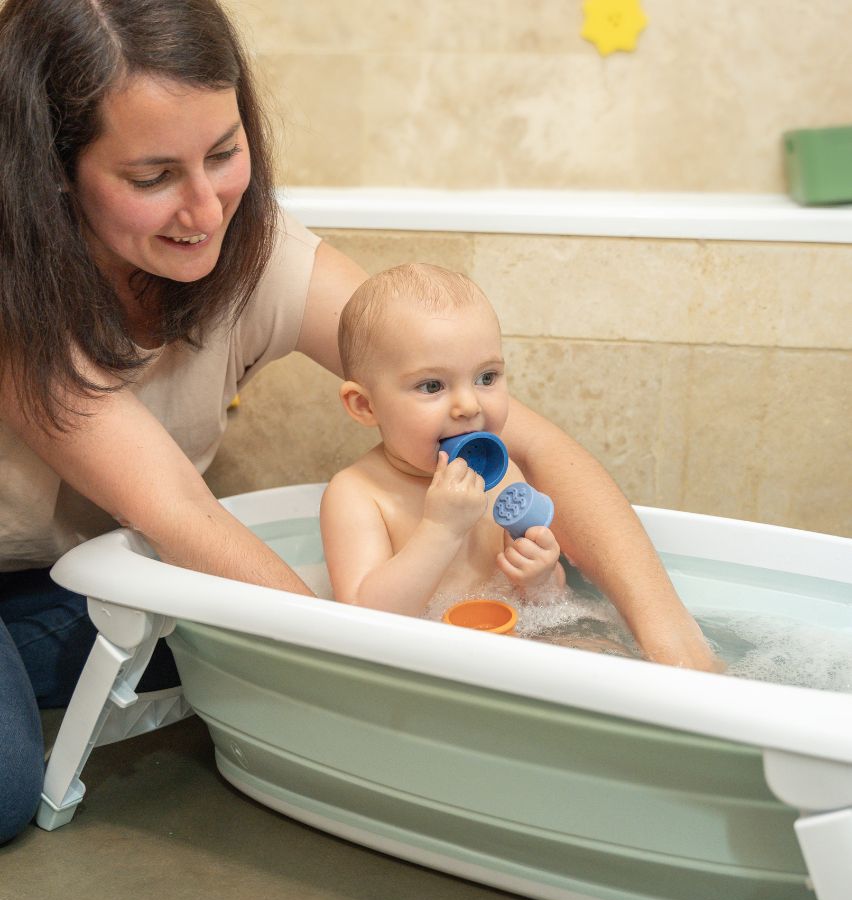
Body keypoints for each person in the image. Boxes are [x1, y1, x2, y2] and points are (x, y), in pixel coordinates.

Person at [0, 0, 718, 846]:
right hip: (56, 571)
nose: (206, 209)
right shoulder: (18, 295)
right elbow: (177, 512)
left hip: (100, 570)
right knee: (9, 791)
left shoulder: (252, 251)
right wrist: (368, 681)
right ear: (55, 173)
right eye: (153, 177)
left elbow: (512, 426)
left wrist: (679, 652)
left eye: (225, 154)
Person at [320, 264, 566, 616]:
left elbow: (553, 606)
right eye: (432, 386)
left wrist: (541, 578)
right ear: (365, 405)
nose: (469, 405)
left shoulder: (503, 475)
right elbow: (364, 617)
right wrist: (440, 530)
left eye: (486, 377)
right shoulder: (357, 495)